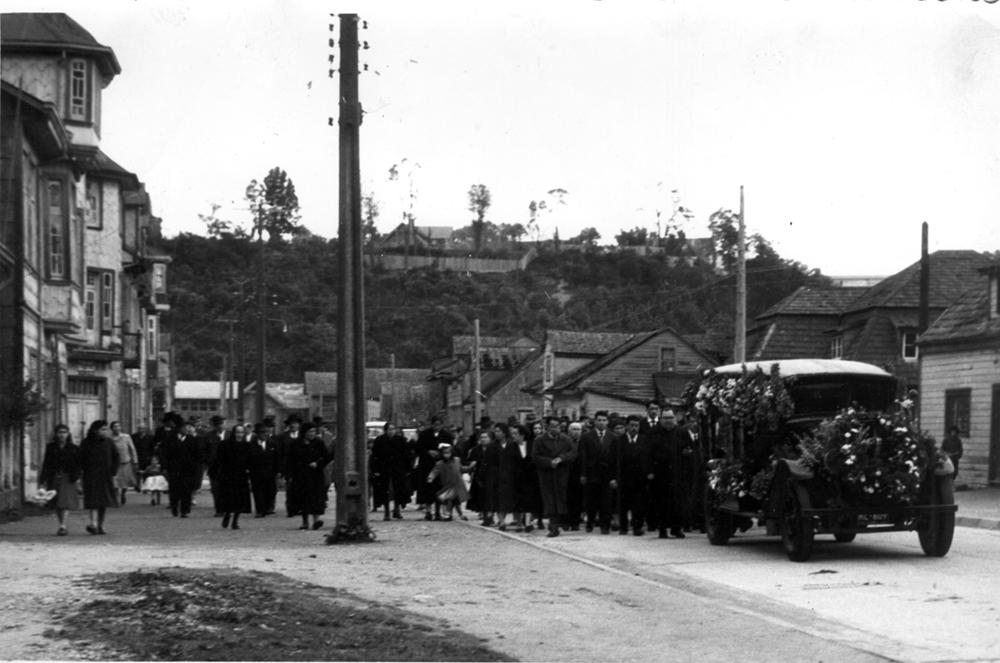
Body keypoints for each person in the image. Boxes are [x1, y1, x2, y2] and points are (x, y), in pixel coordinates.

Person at [646, 408, 689, 539]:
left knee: (677, 502)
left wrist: (687, 453)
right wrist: (649, 471)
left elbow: (689, 450)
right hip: (659, 474)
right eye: (665, 418)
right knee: (661, 502)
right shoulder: (653, 433)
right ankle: (662, 529)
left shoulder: (682, 433)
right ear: (660, 419)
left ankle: (676, 529)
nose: (668, 421)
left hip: (677, 473)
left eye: (670, 418)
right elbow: (647, 454)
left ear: (675, 418)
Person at [532, 415, 577, 537]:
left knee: (562, 497)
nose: (556, 429)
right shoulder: (539, 440)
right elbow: (535, 457)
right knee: (550, 499)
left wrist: (561, 458)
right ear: (546, 427)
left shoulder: (566, 439)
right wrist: (548, 462)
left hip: (562, 473)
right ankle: (553, 526)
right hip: (547, 474)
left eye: (558, 426)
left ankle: (562, 521)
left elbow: (573, 453)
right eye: (552, 426)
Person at [607, 415, 650, 536]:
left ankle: (637, 527)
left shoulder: (644, 440)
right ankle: (624, 527)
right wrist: (613, 478)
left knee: (639, 504)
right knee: (623, 504)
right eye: (631, 425)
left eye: (636, 426)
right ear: (627, 426)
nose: (634, 428)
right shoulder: (618, 440)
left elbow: (648, 459)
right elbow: (612, 460)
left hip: (639, 478)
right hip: (623, 478)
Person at [285, 421, 332, 530]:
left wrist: (318, 463)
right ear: (304, 432)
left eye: (314, 431)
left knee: (316, 499)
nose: (312, 433)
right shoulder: (295, 444)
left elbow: (327, 457)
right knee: (303, 499)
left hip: (315, 475)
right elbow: (290, 460)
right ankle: (305, 522)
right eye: (310, 431)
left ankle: (316, 520)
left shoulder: (319, 443)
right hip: (301, 475)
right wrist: (289, 475)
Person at [39, 424, 81, 536]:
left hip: (68, 477)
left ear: (68, 434)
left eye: (65, 432)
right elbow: (46, 463)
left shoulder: (74, 448)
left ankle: (63, 525)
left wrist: (76, 476)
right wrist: (43, 478)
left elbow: (78, 464)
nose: (62, 435)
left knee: (65, 501)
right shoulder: (51, 447)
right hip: (54, 476)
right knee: (57, 501)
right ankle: (61, 523)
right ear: (56, 434)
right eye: (60, 432)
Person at [79, 420, 120, 535]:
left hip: (105, 475)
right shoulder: (86, 442)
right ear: (95, 430)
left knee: (103, 501)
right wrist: (80, 473)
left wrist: (113, 470)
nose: (105, 431)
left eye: (106, 429)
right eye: (102, 429)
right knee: (93, 500)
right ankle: (93, 524)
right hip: (90, 475)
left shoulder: (109, 442)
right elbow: (80, 458)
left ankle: (100, 524)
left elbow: (116, 456)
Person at [210, 423, 253, 530]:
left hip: (241, 476)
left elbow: (250, 460)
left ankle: (235, 521)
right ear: (234, 433)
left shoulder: (247, 445)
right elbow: (218, 459)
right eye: (238, 432)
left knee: (239, 499)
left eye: (242, 433)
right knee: (229, 498)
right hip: (228, 475)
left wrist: (249, 469)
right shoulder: (225, 444)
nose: (240, 435)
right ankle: (227, 514)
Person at [160, 418, 202, 518]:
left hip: (188, 470)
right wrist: (165, 467)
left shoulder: (193, 440)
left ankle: (184, 510)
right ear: (179, 429)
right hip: (174, 469)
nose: (186, 429)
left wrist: (195, 468)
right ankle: (174, 507)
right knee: (174, 490)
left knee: (186, 490)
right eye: (184, 427)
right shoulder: (170, 440)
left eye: (188, 427)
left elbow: (198, 455)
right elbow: (164, 454)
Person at [414, 416, 453, 521]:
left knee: (439, 488)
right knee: (427, 488)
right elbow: (418, 448)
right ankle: (428, 511)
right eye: (435, 424)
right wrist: (428, 452)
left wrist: (442, 454)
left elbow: (451, 449)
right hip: (427, 465)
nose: (437, 427)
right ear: (431, 425)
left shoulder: (446, 435)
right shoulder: (424, 435)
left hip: (441, 465)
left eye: (439, 424)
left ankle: (438, 511)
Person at [579, 411, 613, 534]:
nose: (601, 422)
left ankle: (605, 525)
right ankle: (590, 523)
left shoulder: (612, 437)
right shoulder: (586, 436)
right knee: (591, 501)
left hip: (607, 474)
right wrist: (583, 474)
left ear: (607, 422)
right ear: (595, 421)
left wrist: (614, 476)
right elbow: (582, 456)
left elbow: (615, 458)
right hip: (592, 473)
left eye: (604, 420)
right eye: (599, 420)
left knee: (606, 501)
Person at [370, 422, 411, 521]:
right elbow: (374, 456)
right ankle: (387, 511)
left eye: (393, 429)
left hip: (398, 468)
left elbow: (406, 455)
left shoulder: (401, 440)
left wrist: (408, 468)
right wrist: (375, 469)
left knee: (398, 489)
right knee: (384, 490)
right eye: (389, 429)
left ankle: (397, 510)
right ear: (385, 430)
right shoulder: (379, 440)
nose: (391, 431)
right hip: (384, 468)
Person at [426, 444, 469, 521]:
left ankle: (452, 514)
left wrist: (468, 468)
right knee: (450, 501)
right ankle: (454, 515)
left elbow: (461, 468)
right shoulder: (440, 463)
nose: (446, 455)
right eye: (444, 453)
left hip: (457, 484)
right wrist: (430, 477)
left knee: (455, 501)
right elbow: (435, 471)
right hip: (447, 485)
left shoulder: (457, 460)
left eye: (448, 453)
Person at [490, 423, 520, 531]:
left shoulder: (512, 444)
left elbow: (517, 460)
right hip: (497, 477)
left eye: (499, 431)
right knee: (499, 499)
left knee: (508, 500)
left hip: (510, 476)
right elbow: (487, 462)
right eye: (495, 431)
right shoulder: (492, 445)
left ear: (504, 432)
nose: (496, 433)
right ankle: (502, 521)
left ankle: (505, 519)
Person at [275, 413, 303, 517]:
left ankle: (300, 509)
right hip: (288, 467)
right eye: (291, 423)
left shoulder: (302, 436)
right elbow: (279, 453)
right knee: (290, 488)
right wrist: (280, 470)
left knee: (300, 488)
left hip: (301, 467)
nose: (293, 425)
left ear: (299, 425)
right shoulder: (282, 437)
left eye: (295, 423)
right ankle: (291, 510)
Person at [249, 422, 278, 517]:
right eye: (262, 433)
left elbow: (277, 458)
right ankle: (259, 510)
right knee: (258, 492)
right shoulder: (251, 445)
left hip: (270, 473)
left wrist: (279, 471)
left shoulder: (272, 444)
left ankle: (266, 507)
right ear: (257, 434)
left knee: (271, 491)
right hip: (256, 473)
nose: (265, 434)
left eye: (266, 432)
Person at [466, 430, 494, 525]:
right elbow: (471, 462)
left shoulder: (494, 448)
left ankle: (491, 516)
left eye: (486, 437)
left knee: (491, 497)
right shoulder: (475, 450)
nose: (483, 439)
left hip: (491, 474)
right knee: (481, 497)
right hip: (479, 475)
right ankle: (485, 516)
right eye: (481, 437)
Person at [201, 415, 227, 516]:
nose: (222, 425)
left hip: (228, 467)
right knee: (216, 489)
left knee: (227, 488)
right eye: (220, 423)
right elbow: (204, 451)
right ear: (216, 425)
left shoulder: (230, 434)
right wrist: (208, 461)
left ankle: (227, 507)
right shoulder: (208, 436)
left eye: (223, 423)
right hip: (214, 467)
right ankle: (219, 510)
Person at [109, 421, 138, 506]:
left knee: (125, 482)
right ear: (112, 429)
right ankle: (116, 500)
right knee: (115, 482)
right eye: (115, 426)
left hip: (125, 461)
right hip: (114, 463)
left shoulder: (126, 437)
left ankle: (123, 494)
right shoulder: (109, 439)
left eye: (118, 426)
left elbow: (132, 449)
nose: (117, 428)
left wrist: (135, 461)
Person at [131, 423, 156, 492]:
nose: (140, 430)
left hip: (146, 457)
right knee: (137, 471)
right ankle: (137, 485)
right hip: (137, 456)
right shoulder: (134, 436)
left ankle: (145, 486)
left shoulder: (150, 437)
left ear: (145, 429)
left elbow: (152, 447)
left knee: (146, 472)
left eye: (142, 428)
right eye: (139, 428)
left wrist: (151, 456)